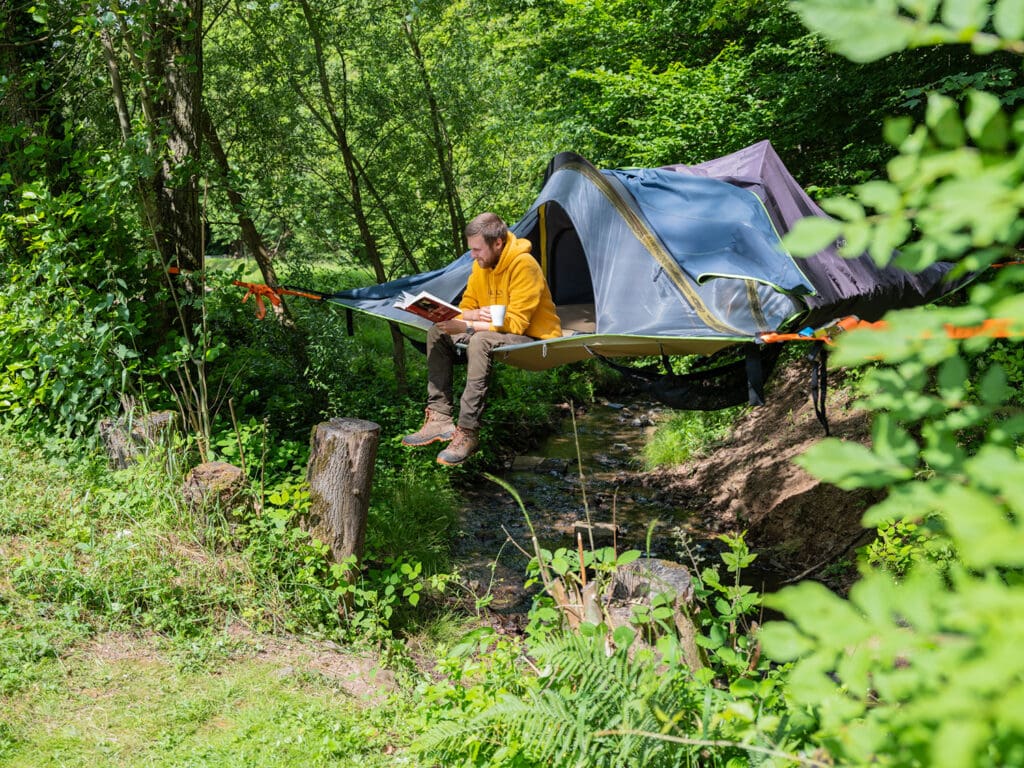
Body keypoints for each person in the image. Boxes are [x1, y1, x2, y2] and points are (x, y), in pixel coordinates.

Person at [402, 212, 562, 465]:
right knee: (437, 331)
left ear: (497, 243)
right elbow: (466, 305)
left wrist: (468, 326)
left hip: (533, 337)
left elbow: (517, 324)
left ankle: (467, 432)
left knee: (479, 340)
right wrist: (471, 316)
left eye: (477, 249)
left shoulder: (524, 265)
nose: (473, 256)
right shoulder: (481, 266)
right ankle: (439, 417)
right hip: (493, 330)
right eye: (471, 250)